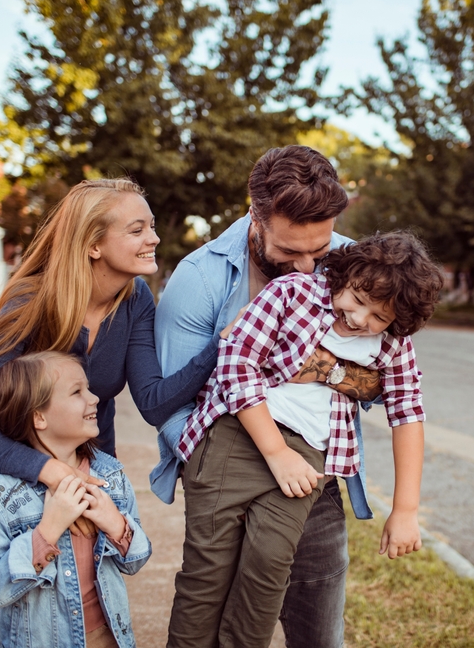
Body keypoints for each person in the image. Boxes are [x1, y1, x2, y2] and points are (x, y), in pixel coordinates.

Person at [0, 178, 219, 647]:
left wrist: (220, 349)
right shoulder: (31, 300)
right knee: (18, 605)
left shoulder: (135, 300)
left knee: (93, 589)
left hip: (90, 464)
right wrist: (53, 474)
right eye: (137, 229)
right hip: (17, 467)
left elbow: (152, 400)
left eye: (151, 226)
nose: (153, 238)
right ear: (94, 244)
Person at [151, 145, 385, 648]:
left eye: (318, 254)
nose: (306, 269)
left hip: (311, 480)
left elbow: (378, 386)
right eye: (288, 252)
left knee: (318, 632)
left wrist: (308, 368)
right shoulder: (198, 280)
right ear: (255, 215)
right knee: (203, 613)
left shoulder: (356, 264)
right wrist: (209, 468)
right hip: (223, 468)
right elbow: (170, 404)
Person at [170, 231, 444, 647]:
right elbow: (237, 364)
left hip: (306, 458)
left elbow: (407, 411)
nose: (359, 319)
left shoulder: (390, 343)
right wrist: (275, 452)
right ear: (346, 275)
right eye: (358, 299)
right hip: (235, 435)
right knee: (207, 575)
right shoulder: (292, 293)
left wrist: (405, 509)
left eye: (378, 317)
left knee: (270, 564)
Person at [0, 351, 151, 648]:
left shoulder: (109, 475)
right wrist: (46, 532)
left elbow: (136, 562)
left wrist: (116, 524)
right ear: (38, 417)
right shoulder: (0, 497)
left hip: (107, 639)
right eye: (77, 391)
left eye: (88, 388)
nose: (94, 399)